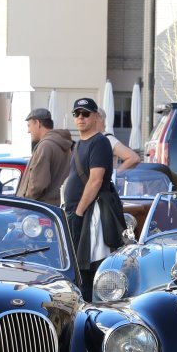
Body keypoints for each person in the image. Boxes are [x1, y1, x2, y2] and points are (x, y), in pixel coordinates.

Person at [62, 98, 127, 299]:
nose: (80, 117)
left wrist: (79, 212)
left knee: (90, 269)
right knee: (78, 269)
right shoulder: (79, 144)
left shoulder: (99, 142)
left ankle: (92, 310)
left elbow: (96, 180)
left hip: (91, 213)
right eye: (77, 114)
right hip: (77, 212)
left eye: (85, 113)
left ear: (96, 116)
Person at [16, 108, 74, 207]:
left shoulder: (45, 146)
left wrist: (24, 203)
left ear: (38, 123)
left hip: (41, 210)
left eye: (29, 125)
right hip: (56, 207)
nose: (28, 131)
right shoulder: (62, 144)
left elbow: (38, 185)